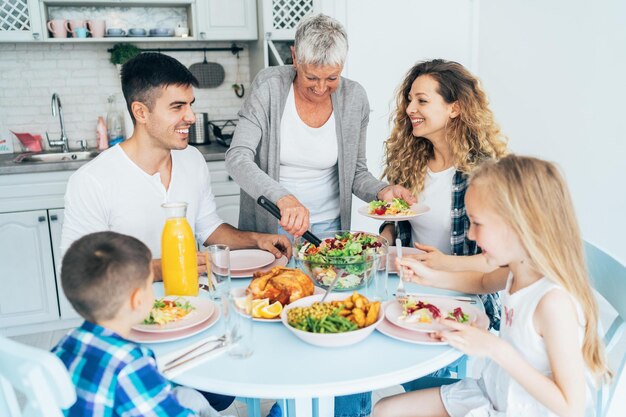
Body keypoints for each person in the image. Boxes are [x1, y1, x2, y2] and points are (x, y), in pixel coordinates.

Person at [374, 155, 611, 417]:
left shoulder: (553, 302)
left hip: (521, 409)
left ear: (520, 226)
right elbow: (483, 281)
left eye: (477, 223)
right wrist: (429, 276)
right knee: (385, 409)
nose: (470, 235)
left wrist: (495, 349)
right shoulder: (520, 268)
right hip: (492, 395)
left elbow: (571, 407)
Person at [60, 52, 292, 282]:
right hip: (130, 310)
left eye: (190, 105)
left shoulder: (192, 159)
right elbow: (79, 268)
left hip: (195, 300)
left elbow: (209, 228)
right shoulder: (92, 180)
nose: (190, 116)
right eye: (177, 107)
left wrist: (257, 240)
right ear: (141, 112)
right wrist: (166, 268)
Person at [225, 13, 414, 240]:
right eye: (312, 77)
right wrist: (283, 198)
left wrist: (382, 191)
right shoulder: (269, 87)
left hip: (330, 227)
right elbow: (237, 158)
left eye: (332, 78)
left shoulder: (354, 98)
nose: (321, 87)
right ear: (295, 57)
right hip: (273, 222)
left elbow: (356, 172)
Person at [379, 59, 508, 329]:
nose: (410, 108)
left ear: (455, 108)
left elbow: (499, 262)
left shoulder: (483, 174)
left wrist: (443, 263)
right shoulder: (410, 161)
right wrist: (384, 238)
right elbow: (400, 220)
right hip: (413, 288)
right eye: (409, 99)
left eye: (422, 101)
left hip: (464, 298)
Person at [52, 231, 235, 417]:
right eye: (149, 285)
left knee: (190, 397)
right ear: (137, 299)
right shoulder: (129, 364)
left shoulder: (64, 345)